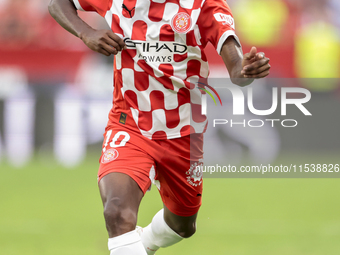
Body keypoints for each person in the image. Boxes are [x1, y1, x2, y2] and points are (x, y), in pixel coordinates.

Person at [48, 0, 270, 254]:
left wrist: (247, 70)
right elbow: (58, 4)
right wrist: (86, 32)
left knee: (183, 225)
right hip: (129, 123)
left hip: (184, 134)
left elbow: (236, 68)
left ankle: (142, 244)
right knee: (116, 211)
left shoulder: (204, 5)